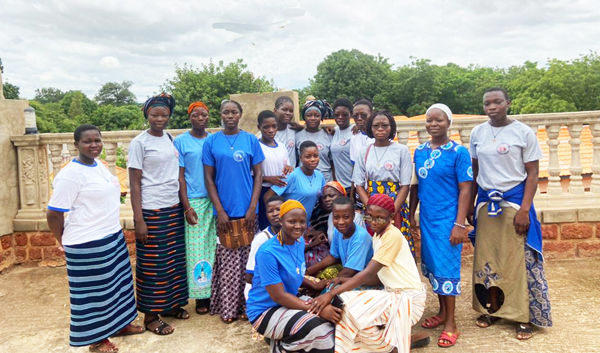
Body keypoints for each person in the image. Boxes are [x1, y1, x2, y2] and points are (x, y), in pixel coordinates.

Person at [47, 124, 143, 352]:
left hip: (110, 236)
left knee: (117, 286)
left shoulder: (99, 165)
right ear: (76, 145)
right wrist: (61, 240)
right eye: (87, 141)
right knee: (93, 294)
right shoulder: (70, 175)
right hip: (86, 242)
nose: (94, 145)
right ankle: (97, 340)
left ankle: (119, 324)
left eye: (97, 140)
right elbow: (53, 212)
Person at [467, 87, 552, 339]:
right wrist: (472, 206)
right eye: (487, 103)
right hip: (486, 205)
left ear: (508, 103)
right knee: (488, 259)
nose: (491, 107)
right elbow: (475, 173)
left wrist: (525, 210)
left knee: (518, 260)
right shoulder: (477, 133)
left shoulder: (523, 132)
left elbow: (533, 175)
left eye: (497, 102)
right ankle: (491, 308)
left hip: (514, 204)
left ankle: (523, 316)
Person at [308, 194, 427, 353]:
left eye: (380, 218)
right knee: (346, 305)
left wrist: (331, 294)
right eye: (369, 216)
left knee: (348, 309)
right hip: (392, 294)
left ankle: (391, 345)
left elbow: (368, 272)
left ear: (391, 217)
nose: (373, 222)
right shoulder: (378, 235)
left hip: (407, 299)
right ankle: (391, 343)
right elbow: (378, 276)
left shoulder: (392, 235)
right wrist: (344, 280)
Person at [409, 103, 472, 348]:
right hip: (427, 218)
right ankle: (443, 312)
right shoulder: (420, 151)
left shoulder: (458, 152)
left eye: (439, 120)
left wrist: (460, 223)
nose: (433, 124)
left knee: (448, 269)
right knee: (434, 267)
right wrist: (412, 214)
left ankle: (451, 324)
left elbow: (466, 188)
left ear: (449, 123)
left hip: (449, 220)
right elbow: (415, 186)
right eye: (430, 120)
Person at [129, 93, 189, 335]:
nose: (160, 119)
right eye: (155, 114)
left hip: (172, 207)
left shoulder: (170, 138)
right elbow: (134, 184)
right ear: (147, 115)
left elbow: (176, 174)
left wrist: (184, 207)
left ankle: (170, 305)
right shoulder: (139, 143)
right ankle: (151, 315)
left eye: (164, 115)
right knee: (153, 264)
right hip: (151, 210)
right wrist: (139, 220)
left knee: (173, 260)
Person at [246, 200, 341, 353]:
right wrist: (317, 310)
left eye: (302, 222)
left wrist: (314, 285)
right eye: (292, 221)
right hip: (265, 311)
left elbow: (292, 272)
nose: (298, 226)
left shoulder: (298, 243)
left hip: (290, 300)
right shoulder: (267, 253)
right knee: (320, 331)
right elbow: (279, 296)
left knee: (335, 316)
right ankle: (281, 347)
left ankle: (286, 338)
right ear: (281, 221)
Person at [203, 99, 265, 323]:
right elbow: (209, 178)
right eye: (225, 112)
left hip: (247, 210)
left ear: (240, 114)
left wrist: (252, 208)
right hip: (224, 211)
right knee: (228, 263)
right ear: (221, 115)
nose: (230, 116)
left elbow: (258, 175)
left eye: (234, 112)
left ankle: (248, 307)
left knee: (249, 262)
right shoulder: (211, 142)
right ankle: (228, 308)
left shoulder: (250, 140)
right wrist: (219, 210)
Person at [353, 110, 416, 256]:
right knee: (374, 244)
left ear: (391, 128)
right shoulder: (364, 151)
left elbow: (405, 185)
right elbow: (359, 185)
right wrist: (371, 210)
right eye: (376, 126)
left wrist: (392, 211)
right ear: (370, 128)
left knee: (395, 245)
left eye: (385, 125)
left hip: (394, 204)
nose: (380, 129)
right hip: (371, 203)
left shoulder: (401, 150)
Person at [173, 101, 216, 316]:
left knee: (216, 249)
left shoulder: (214, 139)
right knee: (197, 250)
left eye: (204, 115)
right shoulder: (181, 142)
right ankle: (201, 296)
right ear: (189, 117)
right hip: (195, 200)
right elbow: (180, 176)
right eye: (196, 115)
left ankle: (215, 292)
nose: (201, 119)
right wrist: (186, 207)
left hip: (215, 199)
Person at [306, 197, 373, 280]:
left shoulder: (361, 237)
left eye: (346, 217)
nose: (341, 222)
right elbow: (334, 256)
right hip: (348, 273)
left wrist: (325, 285)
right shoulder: (338, 231)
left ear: (353, 216)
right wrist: (309, 271)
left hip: (363, 279)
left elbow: (349, 272)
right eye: (336, 217)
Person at [264, 140, 326, 223]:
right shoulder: (292, 176)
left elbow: (321, 202)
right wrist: (278, 219)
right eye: (308, 157)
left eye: (315, 156)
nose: (312, 159)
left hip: (306, 224)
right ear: (301, 158)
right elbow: (268, 196)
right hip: (290, 224)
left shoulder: (320, 176)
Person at [256, 110, 293, 229]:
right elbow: (250, 174)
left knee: (282, 226)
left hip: (282, 191)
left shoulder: (282, 146)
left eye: (274, 126)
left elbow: (288, 166)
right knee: (266, 226)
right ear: (259, 127)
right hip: (264, 191)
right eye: (266, 127)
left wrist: (289, 168)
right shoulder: (256, 147)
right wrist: (268, 179)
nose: (271, 130)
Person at [245, 195, 285, 299]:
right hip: (264, 291)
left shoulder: (292, 235)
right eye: (270, 211)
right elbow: (250, 276)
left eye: (278, 209)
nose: (275, 214)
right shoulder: (261, 239)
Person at [295, 99, 334, 181]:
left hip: (326, 179)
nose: (313, 118)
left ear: (321, 117)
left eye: (316, 115)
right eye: (309, 115)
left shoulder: (328, 134)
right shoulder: (297, 136)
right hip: (303, 180)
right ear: (304, 117)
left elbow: (332, 162)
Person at [330, 98, 355, 195]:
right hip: (339, 186)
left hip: (353, 186)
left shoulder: (355, 132)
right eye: (337, 115)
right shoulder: (334, 131)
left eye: (344, 114)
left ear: (351, 114)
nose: (340, 117)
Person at [273, 96, 298, 167]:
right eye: (284, 110)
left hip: (292, 176)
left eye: (291, 111)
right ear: (275, 111)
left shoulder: (294, 130)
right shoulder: (266, 134)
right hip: (275, 176)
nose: (288, 113)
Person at [349, 99, 375, 164]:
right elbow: (354, 164)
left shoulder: (381, 136)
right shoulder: (354, 137)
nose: (359, 118)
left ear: (372, 114)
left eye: (363, 115)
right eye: (355, 116)